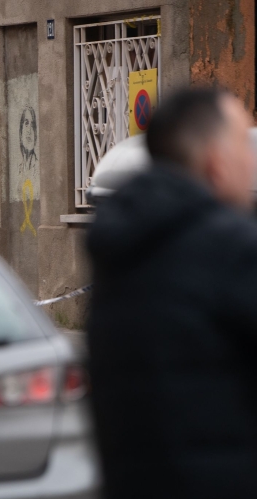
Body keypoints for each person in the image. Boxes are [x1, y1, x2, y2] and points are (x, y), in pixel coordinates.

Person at [86, 87, 257, 499]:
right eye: (243, 143)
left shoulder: (120, 250)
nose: (252, 160)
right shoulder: (230, 247)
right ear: (215, 161)